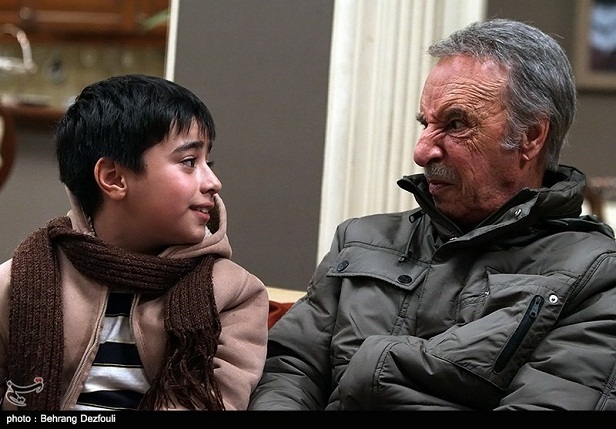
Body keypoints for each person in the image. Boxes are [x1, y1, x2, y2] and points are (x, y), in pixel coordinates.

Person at [248, 18, 616, 410]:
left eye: (456, 124)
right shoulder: (360, 240)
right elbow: (290, 370)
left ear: (530, 136)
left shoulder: (595, 276)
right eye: (426, 124)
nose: (421, 152)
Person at [0, 74, 269, 411]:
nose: (214, 182)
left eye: (208, 162)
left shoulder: (234, 294)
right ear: (114, 178)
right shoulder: (18, 283)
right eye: (189, 162)